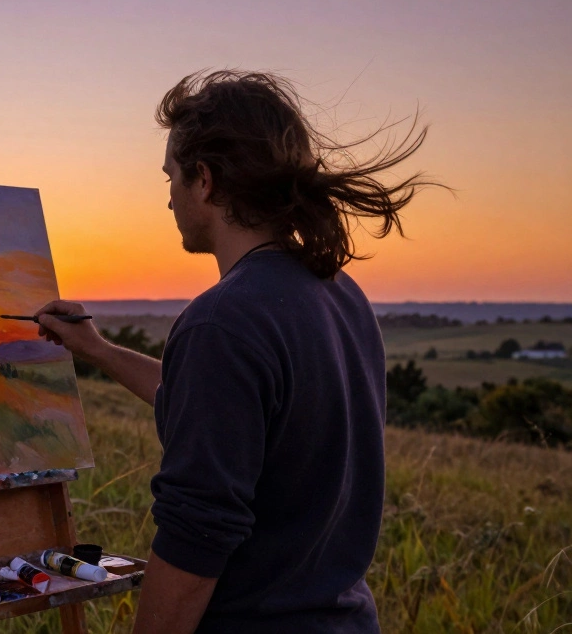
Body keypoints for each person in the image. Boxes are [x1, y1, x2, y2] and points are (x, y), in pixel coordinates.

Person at [35, 71, 437, 633]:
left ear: (204, 180)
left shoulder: (222, 323)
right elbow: (222, 411)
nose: (167, 196)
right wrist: (97, 350)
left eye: (171, 176)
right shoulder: (338, 293)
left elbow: (195, 540)